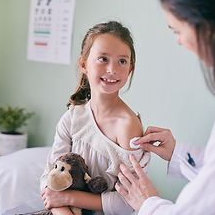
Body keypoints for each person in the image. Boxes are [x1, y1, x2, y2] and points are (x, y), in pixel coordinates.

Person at [115, 0, 215, 214]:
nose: (179, 42)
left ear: (210, 28)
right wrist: (177, 153)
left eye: (178, 30)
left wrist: (149, 203)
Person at [40, 21, 150, 215]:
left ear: (130, 69)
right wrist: (62, 207)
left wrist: (69, 197)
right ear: (84, 64)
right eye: (103, 59)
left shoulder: (128, 128)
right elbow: (50, 180)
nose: (112, 69)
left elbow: (129, 202)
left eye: (122, 61)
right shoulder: (73, 118)